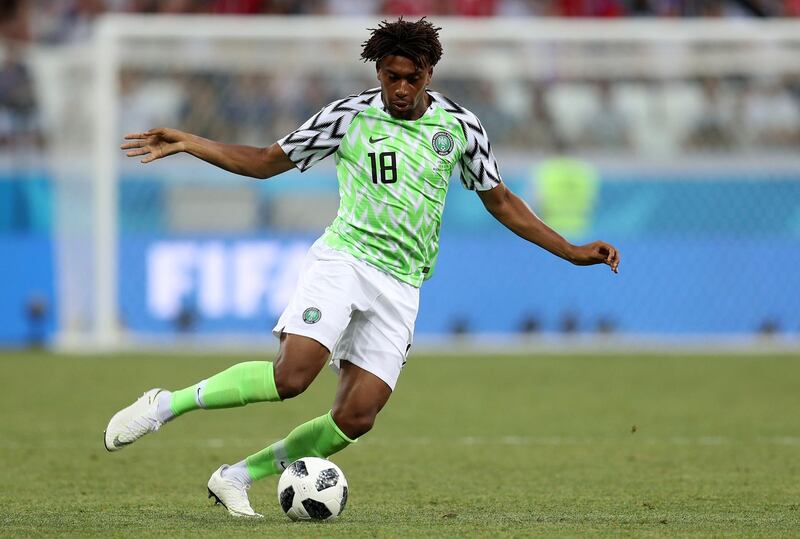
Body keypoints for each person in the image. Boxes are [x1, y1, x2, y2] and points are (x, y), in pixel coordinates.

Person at [105, 17, 620, 518]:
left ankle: (238, 476)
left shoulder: (460, 128)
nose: (399, 88)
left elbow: (501, 201)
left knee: (356, 416)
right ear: (378, 73)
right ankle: (164, 404)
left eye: (410, 78)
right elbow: (264, 161)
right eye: (390, 76)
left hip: (402, 283)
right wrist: (192, 143)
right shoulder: (347, 117)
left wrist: (572, 251)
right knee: (291, 378)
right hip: (345, 261)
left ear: (429, 75)